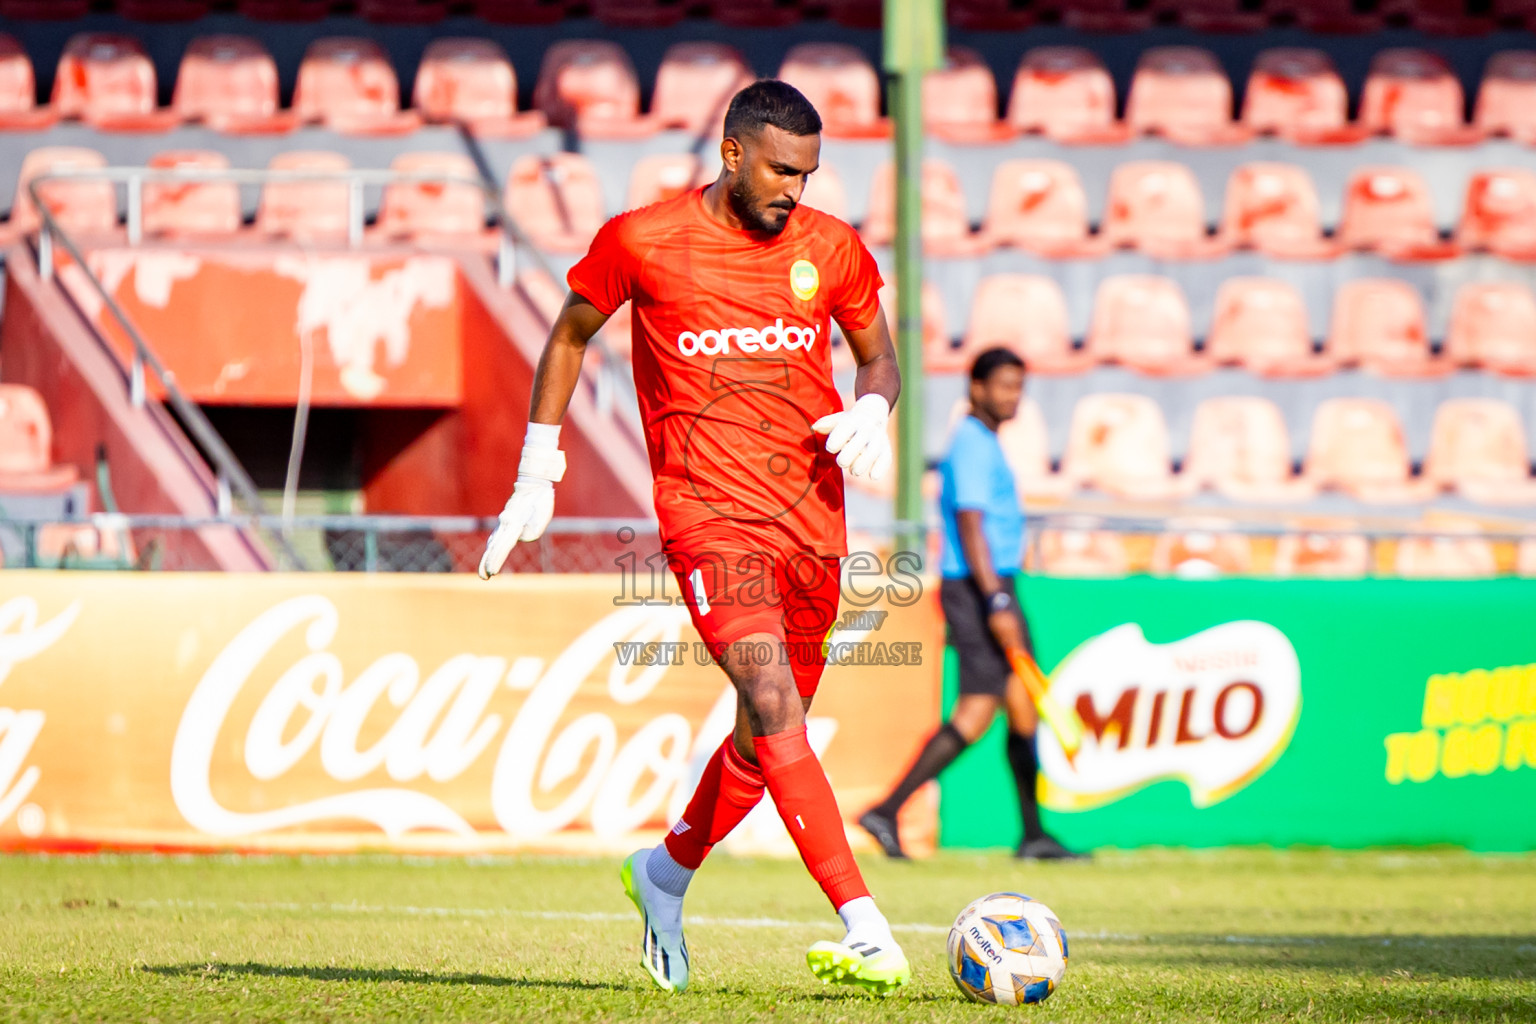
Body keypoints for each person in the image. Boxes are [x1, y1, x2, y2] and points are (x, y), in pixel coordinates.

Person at [477, 81, 910, 996]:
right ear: (732, 154)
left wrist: (875, 403)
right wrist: (536, 467)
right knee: (774, 697)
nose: (798, 188)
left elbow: (880, 352)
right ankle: (865, 923)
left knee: (763, 737)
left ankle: (665, 873)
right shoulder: (643, 240)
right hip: (707, 517)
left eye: (811, 172)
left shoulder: (830, 248)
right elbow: (569, 334)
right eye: (784, 170)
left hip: (814, 524)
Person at [858, 347, 1085, 862]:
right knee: (978, 712)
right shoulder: (972, 444)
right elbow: (971, 527)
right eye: (1004, 385)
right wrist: (998, 600)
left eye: (1018, 386)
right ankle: (887, 810)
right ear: (976, 387)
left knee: (1023, 708)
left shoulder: (982, 442)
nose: (1013, 397)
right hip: (980, 589)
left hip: (991, 584)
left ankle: (1033, 835)